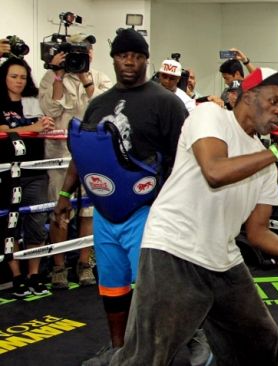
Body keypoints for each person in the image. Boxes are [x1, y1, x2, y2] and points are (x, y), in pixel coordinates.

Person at [110, 67, 278, 365]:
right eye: (273, 101)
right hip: (174, 250)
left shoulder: (266, 161)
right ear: (247, 97)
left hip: (223, 260)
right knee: (147, 356)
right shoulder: (211, 116)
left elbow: (258, 232)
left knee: (260, 341)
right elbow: (215, 171)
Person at [52, 28, 189, 365]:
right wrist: (66, 193)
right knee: (112, 286)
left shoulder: (166, 102)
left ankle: (160, 350)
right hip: (106, 211)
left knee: (153, 290)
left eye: (137, 55)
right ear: (114, 59)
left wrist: (172, 205)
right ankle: (118, 350)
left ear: (145, 60)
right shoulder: (98, 103)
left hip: (148, 209)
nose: (130, 61)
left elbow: (184, 156)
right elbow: (82, 151)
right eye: (124, 55)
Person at [38, 33, 113, 289]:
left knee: (89, 212)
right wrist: (58, 75)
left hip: (92, 154)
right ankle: (58, 266)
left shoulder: (100, 77)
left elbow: (104, 108)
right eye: (78, 50)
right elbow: (51, 110)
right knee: (60, 209)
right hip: (60, 154)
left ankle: (84, 264)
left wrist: (86, 78)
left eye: (87, 49)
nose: (84, 54)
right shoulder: (51, 77)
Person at [0, 57, 55, 297]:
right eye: (14, 76)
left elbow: (43, 126)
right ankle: (17, 276)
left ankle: (34, 274)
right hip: (6, 172)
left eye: (23, 77)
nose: (19, 81)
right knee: (8, 225)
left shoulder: (32, 102)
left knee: (36, 222)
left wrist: (46, 124)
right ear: (3, 77)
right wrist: (29, 129)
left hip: (35, 172)